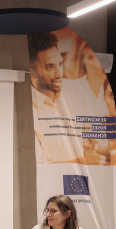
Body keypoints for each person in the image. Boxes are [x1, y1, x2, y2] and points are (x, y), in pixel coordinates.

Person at [28, 32, 98, 164]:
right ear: (33, 73)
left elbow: (93, 131)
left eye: (60, 64)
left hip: (81, 182)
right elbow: (41, 166)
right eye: (49, 67)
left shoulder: (75, 90)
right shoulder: (27, 106)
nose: (58, 74)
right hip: (50, 184)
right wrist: (84, 161)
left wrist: (94, 145)